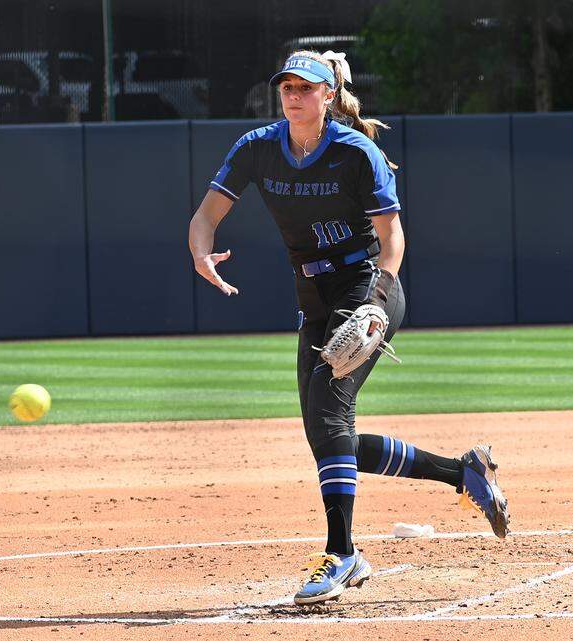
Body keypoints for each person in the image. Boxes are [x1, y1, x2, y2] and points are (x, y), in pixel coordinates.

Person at [187, 50, 509, 606]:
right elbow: (205, 217)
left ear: (327, 95)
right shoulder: (258, 148)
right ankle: (464, 472)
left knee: (330, 408)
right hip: (312, 297)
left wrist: (380, 299)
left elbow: (392, 239)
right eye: (286, 86)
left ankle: (341, 554)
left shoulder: (357, 152)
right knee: (327, 436)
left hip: (365, 289)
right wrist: (201, 253)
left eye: (305, 87)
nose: (293, 94)